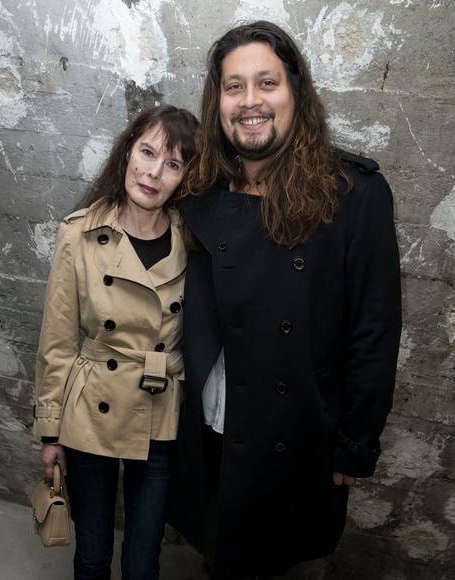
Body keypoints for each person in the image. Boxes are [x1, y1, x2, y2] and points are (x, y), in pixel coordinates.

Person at [166, 21, 402, 580]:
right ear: (218, 100)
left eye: (266, 83)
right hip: (214, 424)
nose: (251, 101)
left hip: (297, 437)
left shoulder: (353, 194)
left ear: (296, 91)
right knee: (219, 553)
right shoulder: (201, 189)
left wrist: (354, 446)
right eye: (234, 86)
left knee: (282, 562)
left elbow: (375, 331)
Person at [33, 104, 199, 580]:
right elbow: (57, 340)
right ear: (127, 152)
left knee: (145, 559)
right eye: (146, 152)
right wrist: (49, 431)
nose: (152, 172)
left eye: (173, 163)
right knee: (92, 552)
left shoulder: (196, 241)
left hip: (159, 408)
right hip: (90, 411)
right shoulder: (79, 234)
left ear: (186, 176)